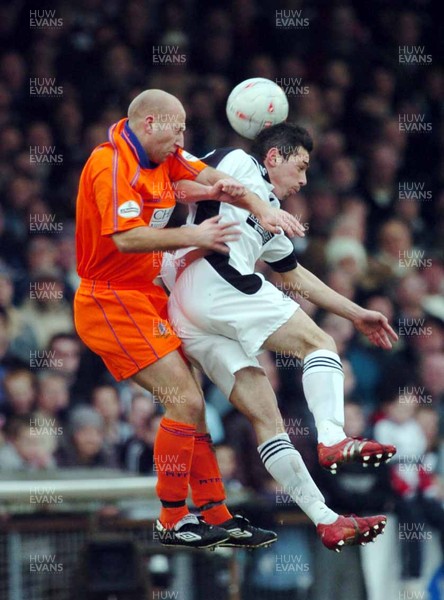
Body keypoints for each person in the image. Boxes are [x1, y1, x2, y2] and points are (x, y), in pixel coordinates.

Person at [74, 89, 302, 549]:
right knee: (185, 402)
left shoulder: (167, 155)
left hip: (145, 294)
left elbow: (212, 176)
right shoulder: (112, 164)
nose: (183, 137)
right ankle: (172, 519)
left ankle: (215, 514)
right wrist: (193, 234)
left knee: (191, 404)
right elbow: (127, 238)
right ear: (150, 122)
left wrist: (258, 205)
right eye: (176, 127)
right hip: (110, 300)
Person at [163, 123, 399, 551]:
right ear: (274, 157)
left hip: (189, 313)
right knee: (321, 345)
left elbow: (296, 276)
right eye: (301, 166)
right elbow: (183, 179)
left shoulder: (271, 213)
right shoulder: (239, 161)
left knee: (267, 420)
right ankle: (331, 438)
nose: (304, 180)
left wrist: (357, 312)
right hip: (214, 278)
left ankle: (326, 520)